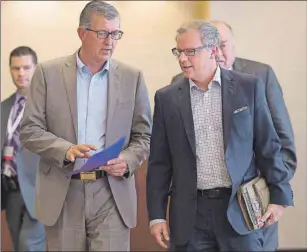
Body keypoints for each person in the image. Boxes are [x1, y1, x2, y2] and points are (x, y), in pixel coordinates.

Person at [146, 20, 294, 251]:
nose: (183, 59)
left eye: (190, 52)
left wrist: (279, 197)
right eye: (179, 52)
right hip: (190, 217)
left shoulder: (248, 87)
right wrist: (156, 216)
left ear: (213, 50)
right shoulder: (167, 98)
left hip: (241, 210)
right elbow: (159, 163)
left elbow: (269, 146)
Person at [20, 1, 152, 251]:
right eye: (102, 33)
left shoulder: (132, 77)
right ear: (82, 33)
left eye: (116, 34)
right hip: (64, 189)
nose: (110, 41)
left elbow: (143, 135)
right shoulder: (48, 73)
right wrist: (65, 150)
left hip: (111, 193)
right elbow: (29, 130)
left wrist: (128, 159)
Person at [1, 46, 46, 251]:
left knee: (29, 246)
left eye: (26, 67)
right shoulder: (4, 107)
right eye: (15, 68)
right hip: (10, 192)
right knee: (18, 246)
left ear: (35, 69)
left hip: (38, 191)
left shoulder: (48, 106)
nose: (21, 73)